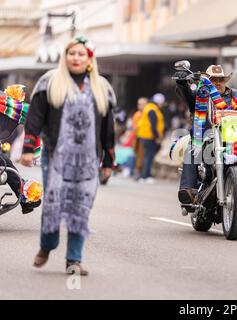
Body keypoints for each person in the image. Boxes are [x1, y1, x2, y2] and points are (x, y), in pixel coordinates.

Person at [21, 36, 116, 276]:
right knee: (54, 205)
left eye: (81, 54)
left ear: (89, 59)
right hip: (55, 157)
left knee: (80, 208)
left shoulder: (101, 87)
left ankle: (74, 260)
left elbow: (108, 126)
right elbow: (35, 116)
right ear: (65, 57)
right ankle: (47, 245)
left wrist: (108, 160)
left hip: (88, 159)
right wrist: (28, 148)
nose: (76, 58)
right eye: (72, 53)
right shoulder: (50, 82)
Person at [174, 64, 237, 217]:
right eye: (213, 79)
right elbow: (187, 95)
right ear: (207, 81)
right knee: (191, 150)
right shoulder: (201, 93)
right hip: (206, 141)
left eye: (221, 79)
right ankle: (188, 192)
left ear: (225, 81)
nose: (217, 82)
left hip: (232, 142)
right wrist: (182, 83)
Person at [136, 93, 165, 184]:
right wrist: (156, 137)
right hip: (149, 136)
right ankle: (145, 176)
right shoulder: (152, 109)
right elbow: (153, 126)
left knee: (146, 156)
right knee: (149, 157)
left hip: (145, 135)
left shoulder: (149, 107)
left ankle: (144, 175)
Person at [132, 97, 148, 176]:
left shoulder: (147, 114)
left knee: (143, 156)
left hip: (144, 137)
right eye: (139, 104)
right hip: (137, 137)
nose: (140, 106)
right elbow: (134, 126)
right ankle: (136, 171)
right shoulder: (137, 114)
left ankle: (141, 172)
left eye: (143, 104)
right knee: (137, 154)